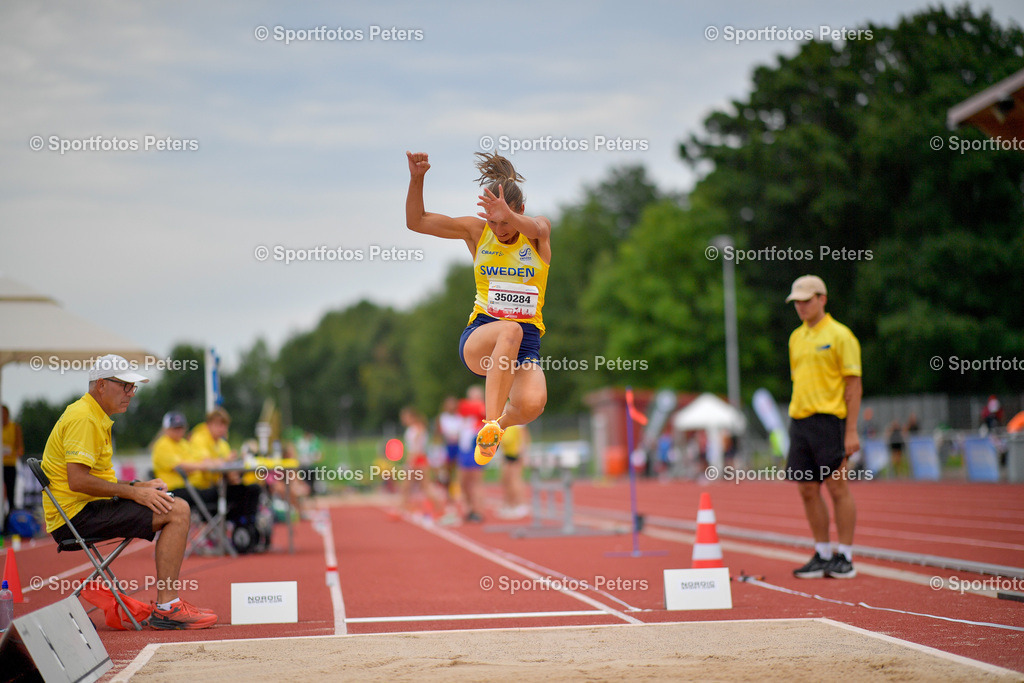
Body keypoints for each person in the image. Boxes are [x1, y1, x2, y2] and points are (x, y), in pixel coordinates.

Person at [41, 354, 216, 628]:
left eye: (133, 387)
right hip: (74, 517)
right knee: (178, 510)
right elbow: (78, 481)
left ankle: (167, 605)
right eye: (125, 386)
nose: (131, 394)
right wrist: (135, 494)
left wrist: (137, 486)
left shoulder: (93, 415)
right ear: (101, 385)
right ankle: (168, 607)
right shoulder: (84, 418)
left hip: (80, 510)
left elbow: (97, 480)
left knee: (170, 503)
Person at [406, 151, 551, 471]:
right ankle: (489, 422)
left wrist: (510, 217)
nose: (499, 230)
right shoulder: (478, 232)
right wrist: (417, 179)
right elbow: (417, 222)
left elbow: (534, 227)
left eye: (506, 221)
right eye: (493, 221)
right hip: (482, 337)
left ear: (520, 211)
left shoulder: (537, 232)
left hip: (525, 345)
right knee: (509, 328)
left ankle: (496, 428)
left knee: (532, 405)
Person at [784, 276, 862, 580]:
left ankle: (845, 555)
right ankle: (822, 552)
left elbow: (853, 385)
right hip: (800, 421)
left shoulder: (841, 336)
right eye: (797, 302)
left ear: (822, 299)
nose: (801, 306)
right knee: (806, 489)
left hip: (831, 420)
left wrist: (851, 429)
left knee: (836, 486)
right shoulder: (795, 338)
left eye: (806, 300)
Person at [497, 424, 530, 519]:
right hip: (507, 453)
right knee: (505, 480)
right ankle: (509, 504)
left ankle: (520, 504)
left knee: (515, 480)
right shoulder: (505, 419)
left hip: (516, 454)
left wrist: (522, 453)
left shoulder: (519, 422)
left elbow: (524, 437)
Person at [2, 405, 25, 535]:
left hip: (9, 465)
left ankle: (9, 523)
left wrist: (12, 452)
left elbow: (20, 448)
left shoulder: (14, 427)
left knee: (10, 494)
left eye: (3, 413)